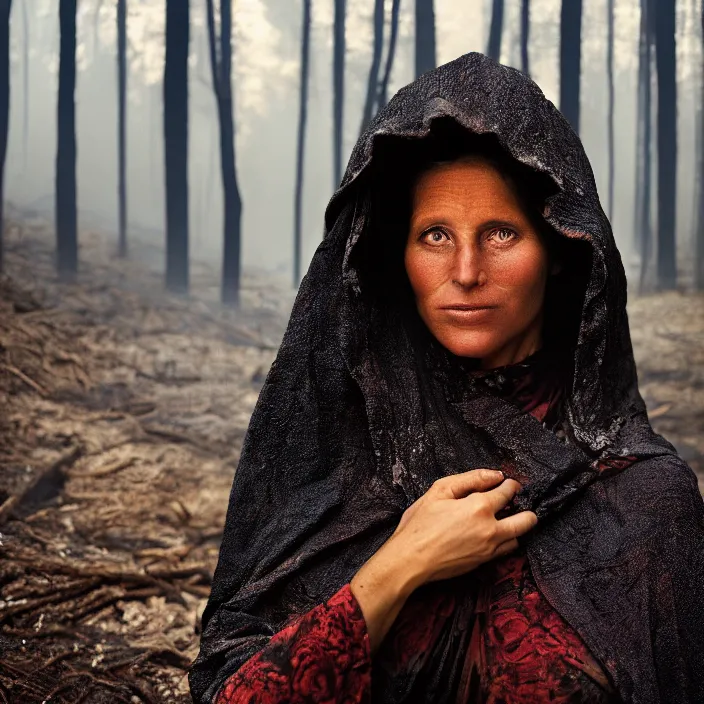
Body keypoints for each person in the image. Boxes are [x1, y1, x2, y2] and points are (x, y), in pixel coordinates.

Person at [189, 52, 704, 704]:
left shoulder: (648, 503)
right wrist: (399, 568)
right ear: (394, 256)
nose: (464, 271)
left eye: (500, 233)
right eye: (435, 234)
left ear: (559, 252)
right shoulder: (337, 466)